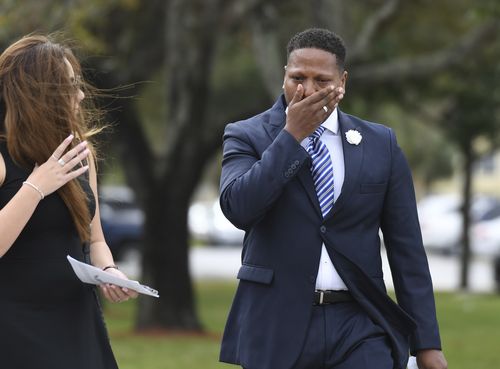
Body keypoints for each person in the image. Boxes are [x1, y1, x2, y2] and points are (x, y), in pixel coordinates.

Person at [219, 28, 448, 369]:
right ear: (284, 75)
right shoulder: (246, 135)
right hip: (276, 322)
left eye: (320, 80)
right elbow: (239, 208)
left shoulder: (380, 144)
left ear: (342, 81)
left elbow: (407, 249)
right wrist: (291, 137)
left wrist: (427, 344)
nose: (307, 90)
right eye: (298, 77)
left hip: (360, 323)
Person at [0, 35, 138, 369]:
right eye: (68, 86)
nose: (80, 95)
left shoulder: (81, 154)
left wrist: (109, 270)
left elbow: (95, 238)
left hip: (77, 321)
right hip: (15, 327)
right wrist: (35, 186)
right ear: (36, 93)